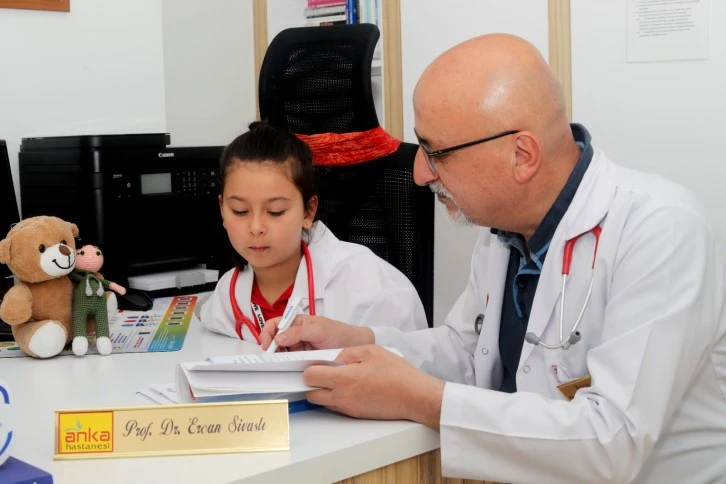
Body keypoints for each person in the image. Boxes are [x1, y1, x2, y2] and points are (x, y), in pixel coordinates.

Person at [259, 34, 726, 483]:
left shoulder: (660, 229)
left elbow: (613, 441)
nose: (419, 174)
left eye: (435, 152)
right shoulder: (502, 230)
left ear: (522, 155)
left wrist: (423, 399)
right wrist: (355, 344)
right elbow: (469, 353)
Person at [200, 121, 427, 344]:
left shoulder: (374, 289)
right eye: (240, 211)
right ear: (222, 209)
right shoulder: (225, 297)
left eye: (275, 211)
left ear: (308, 211)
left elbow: (413, 358)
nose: (256, 227)